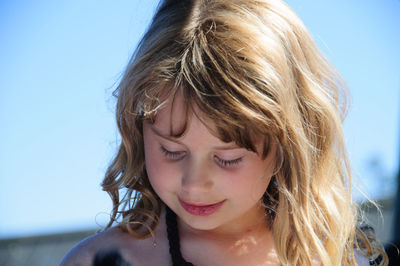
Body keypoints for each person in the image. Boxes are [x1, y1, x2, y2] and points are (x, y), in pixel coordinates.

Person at [61, 0, 388, 265]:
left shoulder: (344, 259)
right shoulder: (100, 261)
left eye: (228, 158)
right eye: (172, 151)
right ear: (138, 130)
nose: (194, 182)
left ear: (288, 144)